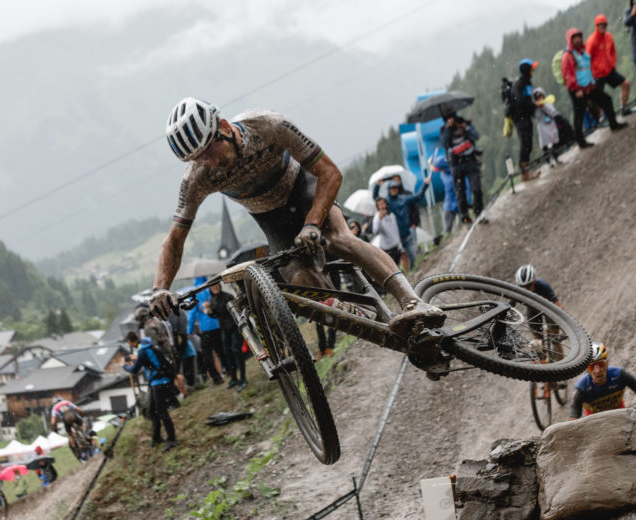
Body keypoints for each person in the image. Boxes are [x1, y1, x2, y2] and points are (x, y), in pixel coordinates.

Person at [153, 98, 444, 341]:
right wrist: (161, 288)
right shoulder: (196, 179)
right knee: (308, 288)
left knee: (339, 240)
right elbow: (174, 240)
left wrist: (313, 223)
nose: (209, 163)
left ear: (225, 128)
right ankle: (395, 337)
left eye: (210, 151)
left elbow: (330, 173)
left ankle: (412, 302)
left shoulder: (268, 126)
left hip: (303, 190)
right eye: (199, 159)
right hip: (271, 218)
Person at [561, 28, 625, 146]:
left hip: (589, 85)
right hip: (578, 89)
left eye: (579, 37)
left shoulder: (583, 51)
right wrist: (577, 89)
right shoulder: (568, 55)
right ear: (570, 40)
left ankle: (613, 124)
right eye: (574, 38)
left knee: (606, 100)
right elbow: (568, 74)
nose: (578, 39)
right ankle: (581, 142)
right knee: (579, 115)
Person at [569, 343, 636, 419]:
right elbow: (573, 416)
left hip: (620, 415)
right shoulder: (581, 388)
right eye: (592, 367)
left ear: (607, 364)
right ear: (587, 370)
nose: (597, 371)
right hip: (595, 422)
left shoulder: (619, 375)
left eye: (601, 364)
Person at [124, 330, 179, 450]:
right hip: (157, 382)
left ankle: (172, 439)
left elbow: (134, 370)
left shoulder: (143, 351)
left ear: (131, 341)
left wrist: (125, 367)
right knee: (153, 411)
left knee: (162, 411)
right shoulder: (148, 346)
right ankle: (156, 437)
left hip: (159, 382)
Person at [372, 174, 431, 270]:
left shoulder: (404, 198)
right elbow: (376, 199)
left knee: (412, 255)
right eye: (391, 188)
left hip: (407, 233)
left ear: (398, 188)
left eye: (395, 188)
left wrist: (425, 184)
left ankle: (414, 273)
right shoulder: (387, 202)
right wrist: (377, 186)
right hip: (395, 238)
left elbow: (417, 197)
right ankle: (406, 276)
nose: (393, 190)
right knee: (398, 261)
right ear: (389, 189)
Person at [439, 110, 485, 223]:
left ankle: (479, 212)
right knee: (460, 192)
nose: (452, 121)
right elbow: (444, 143)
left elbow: (476, 136)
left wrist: (465, 127)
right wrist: (449, 128)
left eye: (452, 118)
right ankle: (464, 216)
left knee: (477, 188)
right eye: (448, 119)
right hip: (456, 164)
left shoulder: (465, 124)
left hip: (470, 160)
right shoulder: (444, 130)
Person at [205, 281, 247, 388]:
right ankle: (233, 379)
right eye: (212, 286)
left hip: (234, 327)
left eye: (216, 285)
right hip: (224, 329)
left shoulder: (227, 296)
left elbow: (237, 311)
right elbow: (216, 315)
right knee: (227, 353)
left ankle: (243, 379)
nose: (214, 287)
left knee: (237, 352)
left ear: (219, 285)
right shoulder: (212, 300)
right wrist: (209, 311)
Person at [587, 15, 633, 115]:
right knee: (599, 97)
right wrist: (592, 73)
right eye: (600, 25)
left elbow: (613, 51)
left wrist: (612, 63)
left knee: (626, 84)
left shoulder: (608, 37)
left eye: (604, 25)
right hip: (597, 74)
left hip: (609, 70)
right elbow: (587, 58)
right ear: (596, 26)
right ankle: (602, 118)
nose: (603, 27)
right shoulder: (592, 41)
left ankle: (624, 107)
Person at [188, 276, 225, 386]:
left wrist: (189, 330)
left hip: (205, 329)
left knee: (207, 355)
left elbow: (192, 314)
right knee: (221, 350)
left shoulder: (194, 294)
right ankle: (229, 369)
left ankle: (216, 378)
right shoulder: (212, 289)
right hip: (218, 325)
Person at [510, 58, 540, 180]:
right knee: (525, 143)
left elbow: (527, 100)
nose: (533, 70)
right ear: (527, 69)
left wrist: (534, 106)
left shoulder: (527, 83)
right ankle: (525, 173)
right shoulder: (519, 84)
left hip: (526, 116)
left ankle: (526, 171)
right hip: (520, 118)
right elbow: (520, 102)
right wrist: (534, 106)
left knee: (529, 143)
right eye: (532, 68)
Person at [371, 197, 403, 266]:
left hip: (396, 246)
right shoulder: (377, 217)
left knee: (397, 266)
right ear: (377, 207)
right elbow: (375, 231)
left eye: (383, 203)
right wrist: (380, 219)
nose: (382, 206)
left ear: (386, 204)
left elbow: (396, 230)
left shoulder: (391, 214)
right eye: (379, 205)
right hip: (386, 249)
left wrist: (399, 244)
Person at [532, 88, 561, 160]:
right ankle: (548, 159)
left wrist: (544, 106)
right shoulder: (536, 108)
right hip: (542, 126)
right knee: (545, 145)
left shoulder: (548, 103)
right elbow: (536, 117)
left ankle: (556, 156)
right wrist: (538, 108)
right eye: (538, 98)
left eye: (541, 96)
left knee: (554, 141)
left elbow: (553, 112)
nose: (540, 99)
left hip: (551, 125)